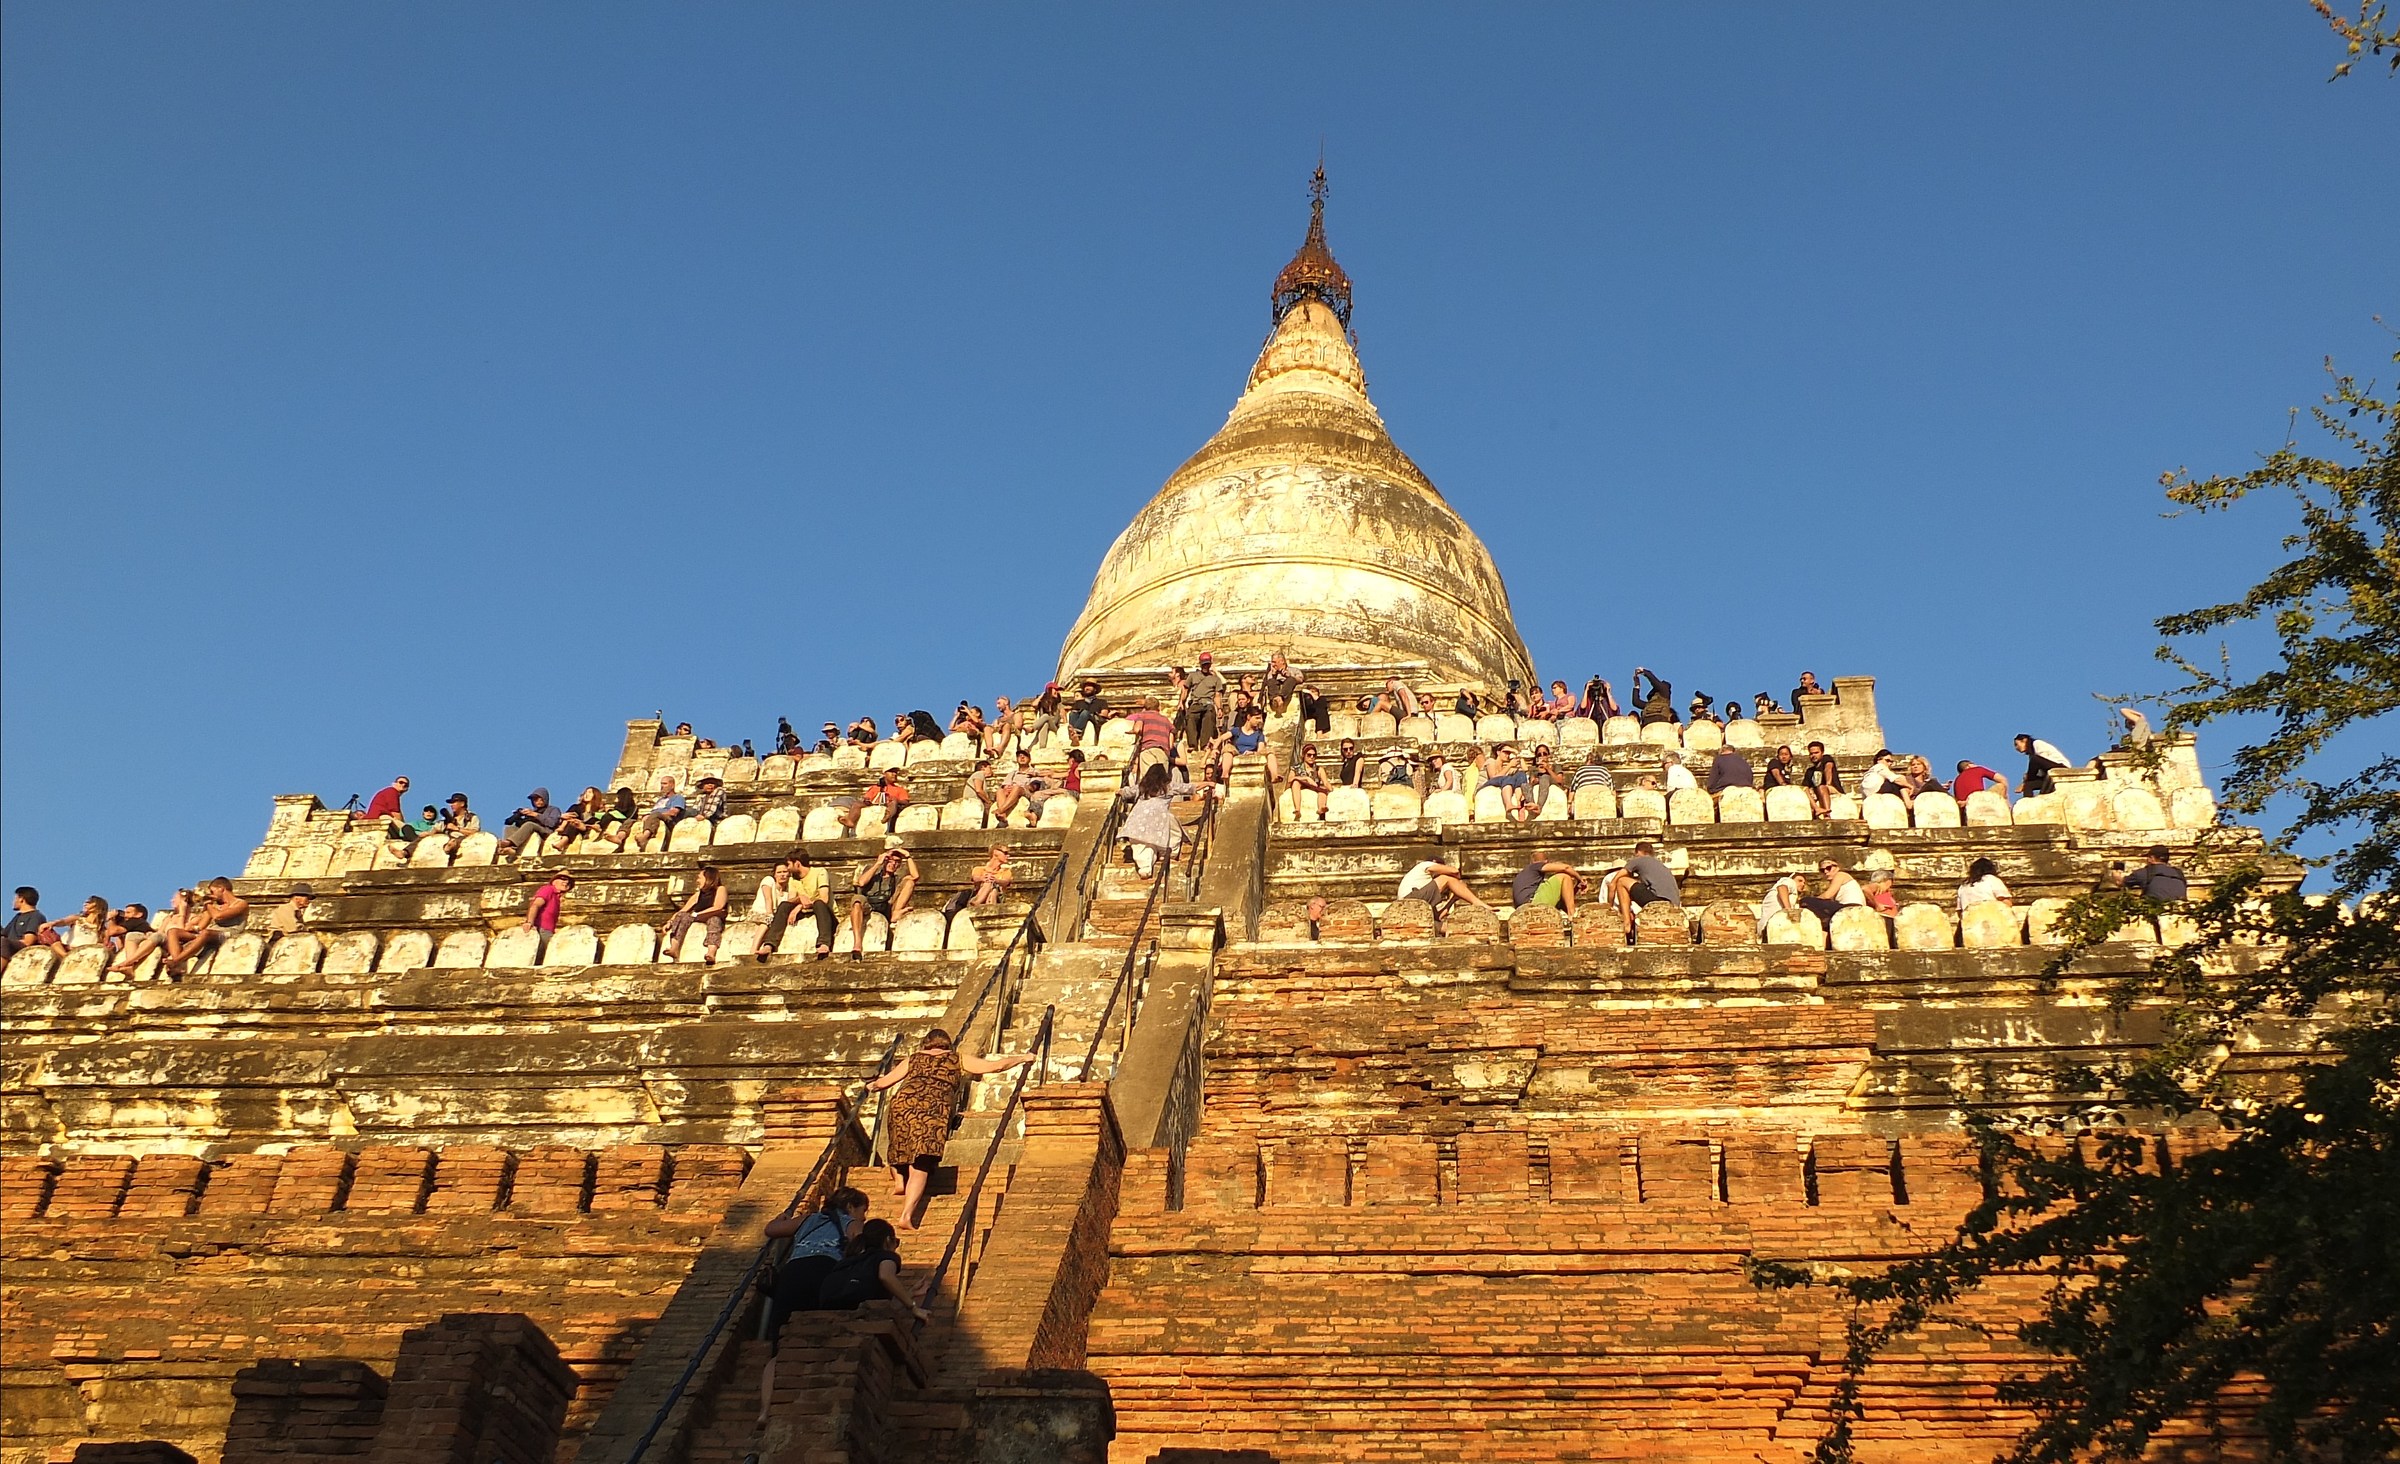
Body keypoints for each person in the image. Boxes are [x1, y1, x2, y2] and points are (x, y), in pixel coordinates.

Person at [866, 1028, 1036, 1230]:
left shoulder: (913, 1059)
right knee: (922, 1161)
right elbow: (996, 1067)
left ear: (926, 1043)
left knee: (900, 1145)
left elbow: (884, 1083)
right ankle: (906, 1215)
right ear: (948, 1043)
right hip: (933, 1109)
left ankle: (899, 1180)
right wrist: (1024, 1057)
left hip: (903, 1104)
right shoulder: (957, 1059)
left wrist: (870, 1085)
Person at [755, 1186, 872, 1423]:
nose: (864, 1216)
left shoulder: (809, 1219)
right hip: (824, 1273)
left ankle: (765, 1411)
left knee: (778, 1346)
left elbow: (771, 1230)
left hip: (792, 1274)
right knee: (819, 1331)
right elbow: (862, 1244)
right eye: (863, 1210)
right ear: (850, 1206)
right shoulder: (850, 1222)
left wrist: (782, 1219)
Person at [1119, 763, 1205, 878]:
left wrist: (1119, 791)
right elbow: (1190, 787)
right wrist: (1208, 783)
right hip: (1158, 817)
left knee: (1141, 843)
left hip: (1137, 818)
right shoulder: (1168, 786)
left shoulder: (1141, 787)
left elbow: (1126, 792)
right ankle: (1168, 853)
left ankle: (1145, 867)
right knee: (1168, 830)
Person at [847, 838, 920, 957]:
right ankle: (857, 943)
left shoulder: (897, 877)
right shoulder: (872, 869)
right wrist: (878, 863)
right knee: (857, 900)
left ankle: (895, 913)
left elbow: (915, 876)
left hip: (887, 905)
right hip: (869, 902)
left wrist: (908, 856)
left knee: (910, 882)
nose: (893, 864)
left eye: (897, 862)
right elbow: (861, 882)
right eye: (891, 861)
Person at [758, 851, 835, 961]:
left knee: (819, 904)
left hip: (824, 912)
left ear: (797, 864)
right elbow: (791, 900)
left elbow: (824, 899)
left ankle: (824, 943)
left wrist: (799, 907)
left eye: (789, 865)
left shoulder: (820, 872)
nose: (787, 869)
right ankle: (769, 944)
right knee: (784, 905)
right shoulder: (793, 879)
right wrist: (799, 899)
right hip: (805, 911)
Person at [166, 877, 249, 978]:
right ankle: (177, 965)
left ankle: (176, 961)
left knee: (206, 933)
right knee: (173, 932)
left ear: (221, 889)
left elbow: (218, 916)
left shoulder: (240, 903)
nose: (212, 894)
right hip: (209, 933)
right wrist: (193, 928)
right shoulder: (214, 906)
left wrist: (208, 904)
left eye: (212, 891)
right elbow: (202, 926)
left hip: (229, 934)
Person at [661, 863, 730, 962]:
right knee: (682, 916)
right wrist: (670, 922)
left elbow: (718, 906)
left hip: (713, 916)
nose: (697, 881)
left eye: (700, 878)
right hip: (698, 917)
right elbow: (683, 910)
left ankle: (711, 952)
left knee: (714, 921)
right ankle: (674, 948)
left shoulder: (720, 889)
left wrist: (698, 914)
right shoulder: (698, 895)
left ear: (708, 878)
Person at [1393, 858, 1487, 929]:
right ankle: (1476, 902)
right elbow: (1454, 871)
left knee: (1449, 928)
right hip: (1410, 900)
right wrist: (1457, 881)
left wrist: (1453, 899)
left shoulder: (1427, 890)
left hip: (1410, 916)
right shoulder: (1425, 865)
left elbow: (1438, 917)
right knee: (1446, 879)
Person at [942, 845, 1013, 937]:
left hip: (996, 900)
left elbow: (1006, 882)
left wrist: (995, 880)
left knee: (993, 888)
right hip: (981, 895)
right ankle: (981, 905)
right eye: (1006, 853)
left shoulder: (1006, 871)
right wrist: (983, 878)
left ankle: (977, 903)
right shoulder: (979, 869)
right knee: (989, 883)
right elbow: (975, 878)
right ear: (996, 853)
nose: (1008, 856)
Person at [985, 749, 1055, 826]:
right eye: (1019, 756)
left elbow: (1034, 786)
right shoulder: (1013, 773)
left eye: (1024, 756)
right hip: (1013, 790)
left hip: (1027, 791)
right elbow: (1005, 785)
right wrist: (1008, 788)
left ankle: (1001, 810)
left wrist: (1021, 787)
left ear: (1029, 759)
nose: (1022, 757)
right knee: (1000, 791)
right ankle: (1003, 816)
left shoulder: (1035, 772)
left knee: (1017, 788)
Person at [497, 788, 564, 862]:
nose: (537, 802)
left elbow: (552, 823)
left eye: (539, 799)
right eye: (534, 800)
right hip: (532, 829)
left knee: (529, 824)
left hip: (546, 831)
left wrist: (535, 815)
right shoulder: (532, 811)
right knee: (509, 828)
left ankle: (509, 843)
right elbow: (508, 822)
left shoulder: (553, 809)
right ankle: (511, 849)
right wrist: (518, 816)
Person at [1127, 695, 1177, 782]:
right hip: (1163, 751)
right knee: (1162, 781)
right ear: (1158, 707)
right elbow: (1171, 743)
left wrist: (1131, 731)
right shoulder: (1165, 720)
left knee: (1148, 780)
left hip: (1148, 749)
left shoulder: (1143, 715)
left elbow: (1137, 729)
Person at [1182, 653, 1227, 750]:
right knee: (1190, 722)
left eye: (1207, 664)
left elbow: (1217, 695)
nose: (1206, 666)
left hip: (1208, 704)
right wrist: (1181, 703)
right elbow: (1185, 689)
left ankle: (1205, 745)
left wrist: (1219, 708)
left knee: (1208, 724)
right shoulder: (1193, 676)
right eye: (1204, 664)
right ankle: (1192, 745)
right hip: (1195, 703)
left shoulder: (1215, 679)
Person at [1511, 856, 1583, 917]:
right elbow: (1565, 868)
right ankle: (1573, 916)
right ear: (1546, 861)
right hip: (1532, 903)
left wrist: (1576, 887)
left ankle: (1571, 916)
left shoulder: (1526, 877)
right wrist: (1580, 879)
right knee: (1564, 876)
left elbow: (1564, 899)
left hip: (1522, 910)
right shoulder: (1534, 866)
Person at [1799, 860, 1866, 924]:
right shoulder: (1837, 881)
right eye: (1822, 870)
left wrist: (1814, 900)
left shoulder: (1840, 875)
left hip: (1851, 907)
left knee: (1805, 901)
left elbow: (1827, 896)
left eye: (1828, 868)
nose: (1825, 871)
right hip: (1847, 908)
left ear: (1837, 868)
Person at [1478, 744, 1531, 823]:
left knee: (1520, 774)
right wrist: (1509, 765)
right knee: (1508, 778)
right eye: (1505, 752)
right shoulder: (1491, 761)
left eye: (1509, 753)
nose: (1507, 755)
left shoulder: (1505, 768)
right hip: (1484, 785)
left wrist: (1516, 753)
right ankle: (1508, 804)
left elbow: (1525, 769)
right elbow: (1493, 777)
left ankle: (1520, 802)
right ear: (1498, 752)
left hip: (1502, 779)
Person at [523, 873, 573, 949]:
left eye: (569, 882)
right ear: (554, 881)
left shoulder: (556, 897)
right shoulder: (548, 889)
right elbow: (536, 905)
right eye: (562, 879)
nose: (566, 882)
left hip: (547, 930)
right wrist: (529, 922)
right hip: (541, 929)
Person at [633, 777, 687, 848]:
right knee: (630, 821)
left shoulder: (678, 797)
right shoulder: (660, 800)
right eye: (661, 784)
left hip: (669, 820)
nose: (662, 786)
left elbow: (674, 812)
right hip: (654, 818)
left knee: (655, 815)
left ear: (672, 785)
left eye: (665, 784)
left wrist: (658, 815)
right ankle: (620, 838)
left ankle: (645, 837)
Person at [1755, 870, 1809, 939]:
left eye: (1804, 883)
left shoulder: (1792, 896)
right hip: (1771, 926)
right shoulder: (1790, 881)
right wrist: (1789, 910)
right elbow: (1782, 887)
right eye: (1799, 881)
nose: (1803, 884)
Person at [2125, 845, 2189, 902]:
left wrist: (2115, 872)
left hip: (2155, 911)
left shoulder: (2144, 872)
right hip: (2180, 911)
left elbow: (2120, 882)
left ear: (2152, 858)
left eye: (2148, 857)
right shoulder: (2179, 873)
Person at [1286, 744, 1333, 820]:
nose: (1311, 757)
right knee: (1295, 783)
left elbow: (1325, 782)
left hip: (1314, 788)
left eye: (1314, 755)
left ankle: (1321, 808)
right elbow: (1290, 780)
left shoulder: (1319, 769)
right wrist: (1306, 778)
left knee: (1323, 791)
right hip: (1300, 787)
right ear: (1304, 755)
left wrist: (1331, 789)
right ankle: (1297, 809)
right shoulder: (1295, 768)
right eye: (1309, 755)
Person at [362, 776, 412, 843]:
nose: (403, 785)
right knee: (407, 829)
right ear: (394, 783)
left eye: (406, 785)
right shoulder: (392, 791)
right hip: (380, 817)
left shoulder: (389, 792)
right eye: (401, 782)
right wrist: (402, 824)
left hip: (380, 817)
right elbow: (395, 812)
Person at [1802, 741, 1844, 817]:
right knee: (1805, 790)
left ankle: (1827, 813)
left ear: (1822, 752)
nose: (1813, 755)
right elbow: (1805, 786)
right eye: (1811, 753)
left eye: (1816, 753)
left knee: (1822, 787)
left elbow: (1828, 769)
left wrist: (1828, 783)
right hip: (1818, 793)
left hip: (1832, 789)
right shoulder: (1809, 771)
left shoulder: (1826, 759)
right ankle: (1817, 808)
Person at [3, 887, 45, 960]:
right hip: (8, 945)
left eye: (15, 898)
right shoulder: (17, 917)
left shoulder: (36, 916)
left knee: (3, 943)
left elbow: (28, 941)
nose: (13, 902)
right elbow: (4, 934)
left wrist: (9, 943)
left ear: (21, 899)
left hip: (17, 948)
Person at [436, 793, 481, 859]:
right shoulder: (448, 819)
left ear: (462, 804)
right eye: (451, 803)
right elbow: (436, 828)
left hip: (466, 845)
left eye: (454, 802)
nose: (451, 805)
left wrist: (457, 828)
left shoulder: (472, 817)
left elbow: (475, 833)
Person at [1065, 679, 1108, 746]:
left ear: (1095, 689)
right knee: (1072, 713)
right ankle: (1073, 732)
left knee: (1085, 713)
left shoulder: (1101, 702)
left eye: (1089, 686)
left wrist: (1095, 714)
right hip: (1081, 719)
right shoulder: (1079, 702)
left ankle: (1076, 732)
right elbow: (1074, 712)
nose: (1087, 688)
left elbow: (1104, 713)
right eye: (1085, 686)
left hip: (1095, 719)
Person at [1525, 745, 1564, 816]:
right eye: (1539, 754)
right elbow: (1531, 783)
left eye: (1544, 754)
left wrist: (1547, 769)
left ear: (1548, 756)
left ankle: (1539, 806)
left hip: (1551, 782)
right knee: (1524, 785)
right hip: (1539, 784)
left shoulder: (1555, 766)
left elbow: (1559, 780)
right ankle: (1532, 804)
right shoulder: (1534, 769)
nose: (1542, 756)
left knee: (1545, 777)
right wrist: (1537, 777)